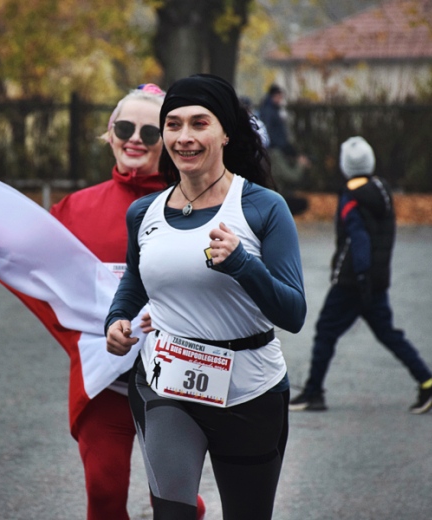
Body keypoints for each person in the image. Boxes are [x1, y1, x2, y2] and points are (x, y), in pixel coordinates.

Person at [106, 74, 306, 520]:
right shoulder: (144, 213)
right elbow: (136, 282)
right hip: (167, 383)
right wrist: (116, 320)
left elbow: (292, 313)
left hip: (250, 390)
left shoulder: (263, 207)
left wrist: (242, 263)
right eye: (173, 125)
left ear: (226, 132)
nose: (184, 137)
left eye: (200, 123)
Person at [50, 84, 206, 520]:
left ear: (169, 141)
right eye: (124, 127)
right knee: (102, 491)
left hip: (172, 377)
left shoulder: (196, 206)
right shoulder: (73, 210)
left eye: (150, 132)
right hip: (105, 381)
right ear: (110, 134)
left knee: (174, 502)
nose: (135, 138)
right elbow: (35, 279)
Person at [289, 136, 432, 414]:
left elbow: (359, 238)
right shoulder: (382, 190)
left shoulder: (350, 197)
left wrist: (360, 276)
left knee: (326, 331)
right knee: (388, 333)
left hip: (354, 281)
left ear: (345, 166)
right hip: (376, 280)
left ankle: (314, 393)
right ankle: (429, 383)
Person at [258, 84, 309, 214]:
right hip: (276, 148)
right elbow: (291, 177)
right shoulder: (270, 111)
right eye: (279, 96)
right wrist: (299, 163)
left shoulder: (271, 110)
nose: (281, 100)